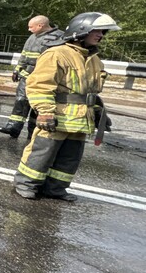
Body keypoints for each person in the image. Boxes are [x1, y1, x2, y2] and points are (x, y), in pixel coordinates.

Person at [13, 12, 120, 201]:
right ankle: (25, 183)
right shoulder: (57, 54)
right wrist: (45, 113)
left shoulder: (93, 59)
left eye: (103, 32)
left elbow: (89, 92)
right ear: (82, 30)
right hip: (57, 116)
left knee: (70, 158)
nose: (101, 35)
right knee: (42, 152)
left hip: (80, 120)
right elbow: (39, 85)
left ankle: (56, 188)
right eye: (97, 30)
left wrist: (97, 112)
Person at [0, 15, 62, 138]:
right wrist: (17, 70)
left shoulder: (59, 37)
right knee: (21, 100)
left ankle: (34, 132)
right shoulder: (32, 37)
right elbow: (24, 54)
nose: (29, 29)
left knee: (38, 105)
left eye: (31, 27)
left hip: (45, 77)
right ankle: (14, 126)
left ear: (40, 26)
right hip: (27, 75)